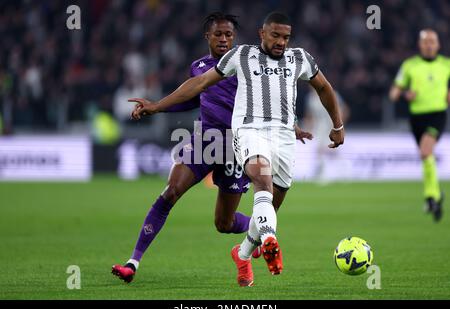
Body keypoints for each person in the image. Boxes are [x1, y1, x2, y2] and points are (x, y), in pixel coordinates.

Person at [129, 12, 343, 287]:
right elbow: (198, 89)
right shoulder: (231, 60)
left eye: (285, 37)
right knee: (252, 181)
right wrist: (158, 106)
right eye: (275, 36)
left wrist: (315, 125)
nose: (281, 42)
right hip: (231, 136)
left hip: (262, 141)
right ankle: (268, 239)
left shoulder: (293, 59)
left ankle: (245, 249)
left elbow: (305, 90)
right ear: (261, 33)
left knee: (232, 219)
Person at [389, 29, 450, 222]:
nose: (430, 45)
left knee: (425, 151)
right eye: (426, 42)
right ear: (420, 45)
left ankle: (430, 196)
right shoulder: (409, 66)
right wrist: (406, 94)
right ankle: (437, 195)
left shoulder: (446, 65)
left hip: (437, 115)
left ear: (438, 45)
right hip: (416, 118)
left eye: (433, 41)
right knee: (426, 157)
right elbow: (393, 94)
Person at [304, 87, 350, 183]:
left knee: (331, 149)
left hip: (331, 126)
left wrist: (340, 125)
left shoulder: (332, 93)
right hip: (319, 127)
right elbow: (309, 115)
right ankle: (322, 174)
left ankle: (342, 170)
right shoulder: (310, 98)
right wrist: (308, 127)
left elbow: (344, 109)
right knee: (320, 150)